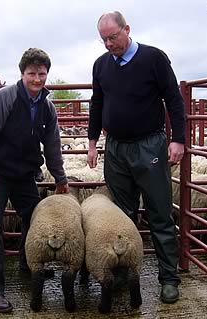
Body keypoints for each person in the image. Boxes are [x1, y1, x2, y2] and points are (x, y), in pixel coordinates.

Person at [87, 11, 185, 304]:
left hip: (148, 146)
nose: (108, 44)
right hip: (115, 147)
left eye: (113, 37)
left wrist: (178, 139)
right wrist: (92, 142)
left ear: (127, 29)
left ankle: (168, 278)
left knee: (159, 212)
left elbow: (174, 99)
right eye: (103, 39)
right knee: (121, 216)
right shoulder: (101, 65)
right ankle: (123, 275)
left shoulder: (154, 58)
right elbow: (97, 103)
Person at [0, 48, 69, 314]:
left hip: (24, 174)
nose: (37, 79)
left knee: (35, 218)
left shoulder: (47, 107)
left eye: (41, 74)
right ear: (22, 73)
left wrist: (60, 178)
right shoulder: (4, 98)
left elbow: (52, 145)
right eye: (32, 73)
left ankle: (27, 264)